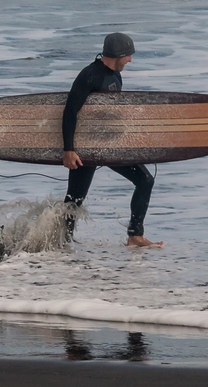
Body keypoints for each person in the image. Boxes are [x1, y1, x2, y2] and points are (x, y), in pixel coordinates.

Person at [61, 32, 162, 248]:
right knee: (75, 200)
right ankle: (60, 243)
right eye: (128, 55)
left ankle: (135, 236)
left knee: (145, 180)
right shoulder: (90, 75)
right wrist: (69, 150)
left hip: (108, 146)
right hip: (85, 148)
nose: (130, 60)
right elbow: (70, 111)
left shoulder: (116, 76)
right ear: (118, 54)